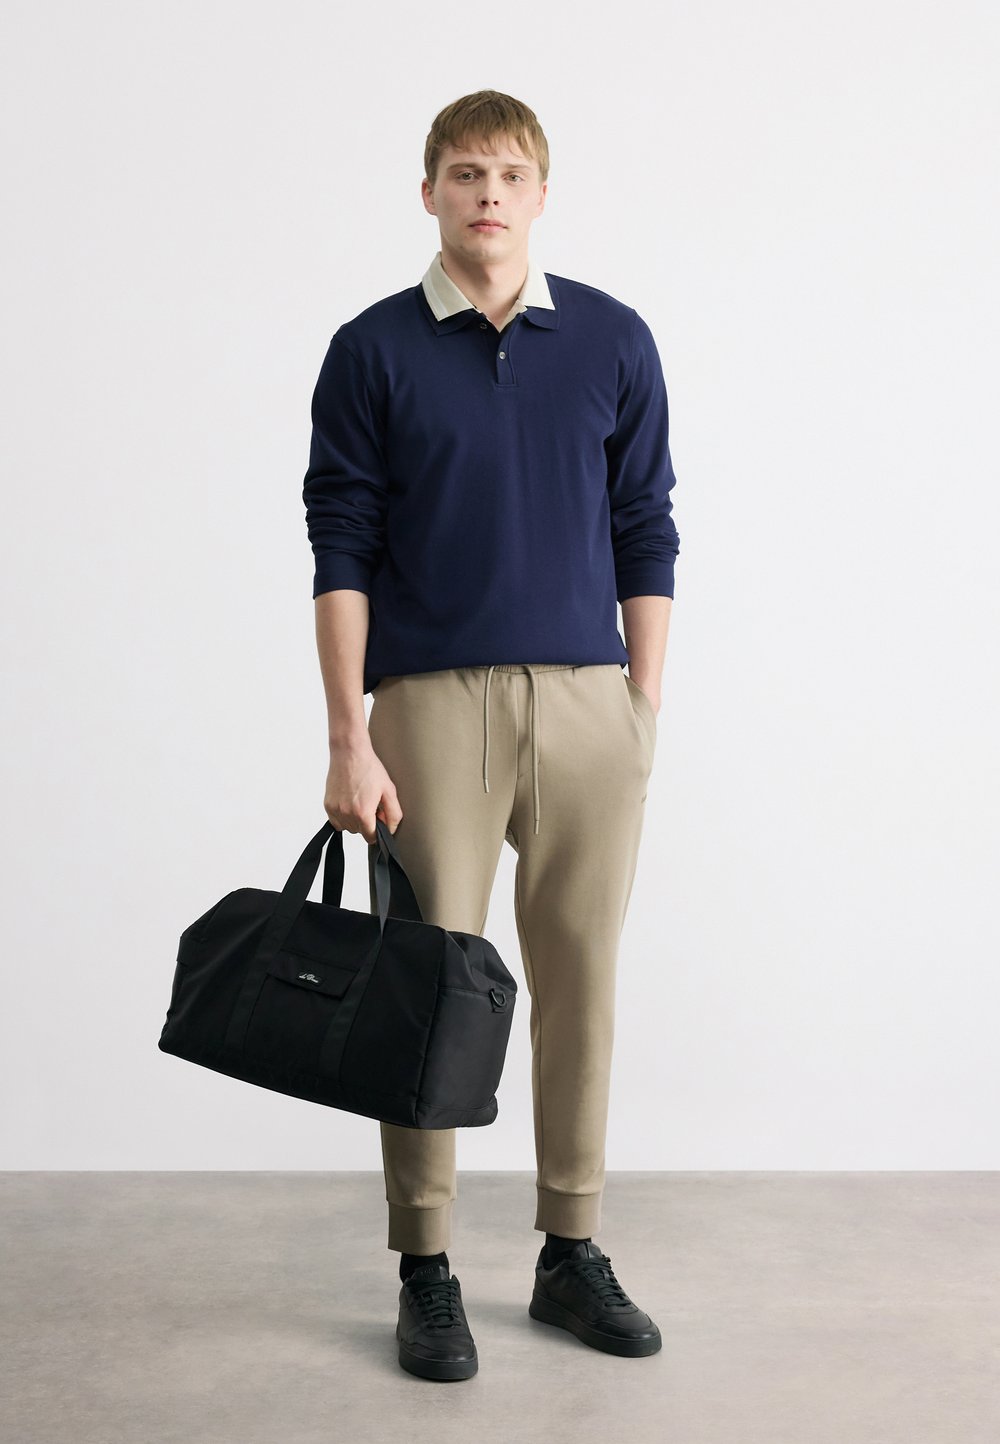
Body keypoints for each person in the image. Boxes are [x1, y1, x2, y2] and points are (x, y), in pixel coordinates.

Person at [302, 89, 679, 1382]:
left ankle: (571, 1250)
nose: (489, 195)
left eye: (512, 175)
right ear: (429, 193)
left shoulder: (613, 339)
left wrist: (640, 708)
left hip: (587, 706)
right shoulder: (373, 349)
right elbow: (340, 544)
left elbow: (646, 524)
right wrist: (349, 737)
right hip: (428, 708)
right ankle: (426, 1265)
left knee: (582, 980)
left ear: (542, 194)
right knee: (427, 988)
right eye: (466, 173)